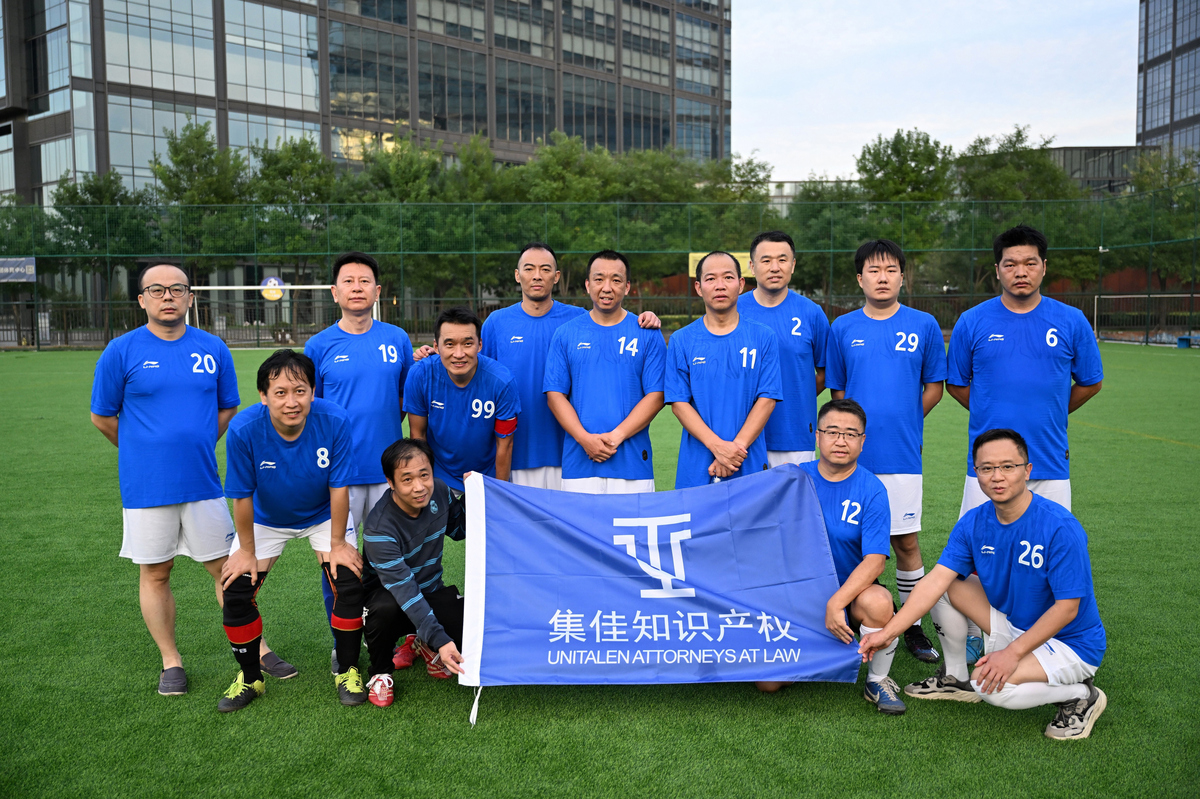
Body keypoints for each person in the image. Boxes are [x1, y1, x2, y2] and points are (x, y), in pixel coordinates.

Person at [90, 261, 292, 696]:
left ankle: (258, 650)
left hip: (203, 482)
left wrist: (196, 443)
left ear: (190, 298)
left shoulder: (213, 348)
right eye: (157, 289)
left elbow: (227, 408)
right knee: (156, 573)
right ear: (142, 299)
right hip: (147, 487)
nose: (168, 296)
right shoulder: (120, 351)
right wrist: (143, 451)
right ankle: (171, 661)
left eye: (177, 289)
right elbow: (102, 416)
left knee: (228, 571)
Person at [860, 429, 1108, 740]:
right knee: (946, 586)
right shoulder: (974, 521)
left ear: (1027, 470)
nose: (997, 476)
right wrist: (888, 632)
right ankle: (955, 678)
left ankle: (1081, 695)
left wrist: (1012, 653)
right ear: (976, 472)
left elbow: (1068, 609)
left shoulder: (1060, 528)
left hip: (1069, 643)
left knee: (988, 684)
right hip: (1015, 625)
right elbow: (935, 582)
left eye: (1008, 466)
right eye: (987, 468)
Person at [947, 224, 1103, 658]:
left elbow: (1090, 381)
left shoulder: (1070, 320)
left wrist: (1052, 412)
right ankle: (976, 640)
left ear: (1043, 267)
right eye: (1011, 264)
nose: (1021, 271)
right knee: (972, 563)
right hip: (987, 469)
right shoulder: (972, 321)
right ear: (997, 269)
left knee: (1049, 560)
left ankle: (1048, 646)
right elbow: (957, 384)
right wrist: (992, 422)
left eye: (1030, 263)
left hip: (1049, 463)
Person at [218, 349, 365, 712]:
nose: (291, 401)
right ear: (263, 396)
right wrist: (247, 551)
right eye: (280, 392)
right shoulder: (244, 428)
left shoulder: (335, 419)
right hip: (266, 518)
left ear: (313, 392)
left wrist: (337, 543)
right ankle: (250, 677)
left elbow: (339, 487)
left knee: (348, 582)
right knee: (235, 591)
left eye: (300, 390)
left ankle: (347, 670)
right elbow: (241, 495)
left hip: (322, 514)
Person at [825, 239, 945, 665]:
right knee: (845, 537)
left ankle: (911, 623)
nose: (882, 278)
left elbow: (935, 387)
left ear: (902, 277)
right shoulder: (842, 328)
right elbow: (838, 393)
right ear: (860, 279)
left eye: (891, 270)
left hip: (900, 455)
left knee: (905, 541)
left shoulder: (924, 325)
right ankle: (856, 610)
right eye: (873, 271)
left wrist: (907, 421)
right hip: (851, 459)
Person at [305, 251, 415, 674]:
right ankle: (344, 643)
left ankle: (399, 639)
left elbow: (406, 398)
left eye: (364, 281)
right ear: (335, 292)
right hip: (340, 477)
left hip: (390, 475)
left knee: (396, 559)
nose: (357, 288)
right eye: (348, 281)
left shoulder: (397, 339)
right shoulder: (319, 345)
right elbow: (311, 409)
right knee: (340, 563)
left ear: (377, 291)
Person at [757, 399, 905, 715]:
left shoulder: (872, 489)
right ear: (818, 436)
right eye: (833, 432)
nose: (841, 441)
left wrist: (836, 602)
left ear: (862, 442)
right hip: (797, 596)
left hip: (849, 596)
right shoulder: (793, 479)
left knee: (879, 602)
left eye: (851, 434)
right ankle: (814, 654)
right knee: (768, 685)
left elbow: (875, 561)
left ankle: (877, 680)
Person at [481, 243, 661, 490]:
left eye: (545, 269)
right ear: (517, 274)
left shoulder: (578, 319)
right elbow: (476, 370)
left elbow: (610, 320)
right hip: (517, 449)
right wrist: (435, 354)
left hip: (569, 453)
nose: (537, 276)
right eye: (529, 268)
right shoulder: (496, 323)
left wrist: (647, 316)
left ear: (556, 277)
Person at [544, 250, 666, 494]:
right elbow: (555, 395)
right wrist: (585, 439)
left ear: (627, 287)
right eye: (599, 279)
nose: (607, 287)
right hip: (580, 465)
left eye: (616, 280)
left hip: (633, 467)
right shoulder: (566, 334)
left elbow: (657, 395)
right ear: (588, 285)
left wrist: (616, 436)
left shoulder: (647, 333)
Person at [360, 438, 467, 707]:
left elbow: (459, 530)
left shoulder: (439, 491)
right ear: (391, 482)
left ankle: (422, 641)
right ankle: (381, 672)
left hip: (431, 591)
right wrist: (442, 641)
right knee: (383, 609)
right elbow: (405, 591)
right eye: (407, 479)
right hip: (391, 601)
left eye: (424, 475)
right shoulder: (378, 529)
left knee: (472, 636)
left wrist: (474, 495)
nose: (419, 487)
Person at [666, 252, 781, 488]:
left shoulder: (763, 337)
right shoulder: (681, 339)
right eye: (710, 279)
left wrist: (734, 450)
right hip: (697, 466)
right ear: (698, 287)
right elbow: (679, 403)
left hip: (746, 461)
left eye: (728, 277)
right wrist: (717, 447)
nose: (720, 285)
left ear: (741, 284)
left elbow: (767, 399)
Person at [736, 230, 830, 466]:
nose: (775, 267)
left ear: (793, 265)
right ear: (752, 266)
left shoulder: (811, 313)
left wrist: (796, 395)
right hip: (738, 437)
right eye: (766, 260)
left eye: (782, 259)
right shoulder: (733, 310)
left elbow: (825, 373)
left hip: (794, 435)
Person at [405, 307, 521, 494]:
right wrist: (427, 484)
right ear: (436, 347)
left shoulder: (502, 382)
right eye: (449, 344)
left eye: (467, 344)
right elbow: (418, 435)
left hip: (487, 476)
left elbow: (505, 445)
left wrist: (498, 494)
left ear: (479, 345)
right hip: (439, 476)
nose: (459, 354)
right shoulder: (420, 374)